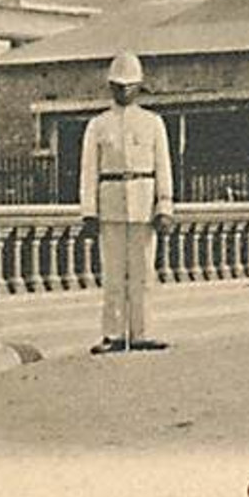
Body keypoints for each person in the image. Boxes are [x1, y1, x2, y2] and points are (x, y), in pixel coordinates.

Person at [80, 52, 175, 354]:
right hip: (110, 203)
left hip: (143, 201)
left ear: (139, 87)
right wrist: (89, 212)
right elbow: (89, 172)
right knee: (113, 275)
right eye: (118, 86)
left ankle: (143, 331)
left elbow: (163, 167)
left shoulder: (152, 123)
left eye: (129, 85)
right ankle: (114, 334)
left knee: (144, 272)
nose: (123, 91)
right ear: (110, 87)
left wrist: (165, 206)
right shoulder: (98, 125)